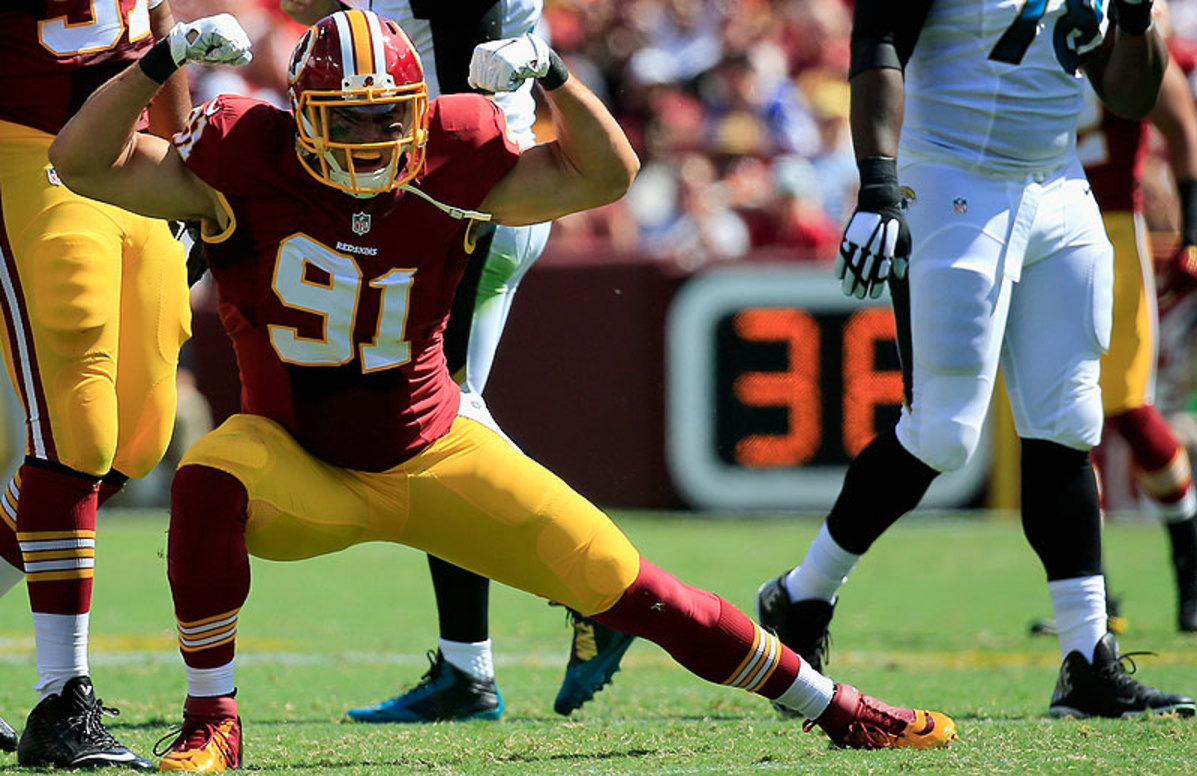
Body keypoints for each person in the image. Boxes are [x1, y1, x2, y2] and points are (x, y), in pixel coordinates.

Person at [51, 10, 959, 770]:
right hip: (297, 461)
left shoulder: (457, 153)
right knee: (210, 475)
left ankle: (834, 706)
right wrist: (160, 60)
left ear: (419, 110)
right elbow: (85, 163)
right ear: (300, 116)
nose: (370, 136)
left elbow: (608, 174)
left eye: (386, 116)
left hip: (436, 446)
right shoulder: (247, 155)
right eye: (346, 117)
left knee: (636, 590)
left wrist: (557, 75)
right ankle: (215, 721)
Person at [756, 0, 1197, 721]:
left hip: (1059, 185)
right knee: (943, 432)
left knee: (1069, 417)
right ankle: (804, 593)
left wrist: (1135, 23)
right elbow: (878, 38)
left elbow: (1128, 96)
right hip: (951, 178)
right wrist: (876, 183)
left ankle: (1088, 658)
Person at [278, 0, 634, 723]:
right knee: (449, 422)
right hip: (471, 189)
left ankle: (601, 591)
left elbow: (464, 79)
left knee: (445, 425)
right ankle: (470, 665)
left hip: (469, 194)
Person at [0, 0, 194, 769]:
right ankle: (62, 698)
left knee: (137, 437)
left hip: (129, 153)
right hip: (25, 149)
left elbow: (153, 19)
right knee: (74, 432)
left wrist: (184, 158)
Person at [1079, 45, 1197, 633]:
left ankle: (1191, 566)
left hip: (1109, 222)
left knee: (1128, 406)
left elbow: (1181, 122)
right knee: (1055, 424)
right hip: (1027, 214)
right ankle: (1085, 597)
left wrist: (1194, 230)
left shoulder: (1125, 22)